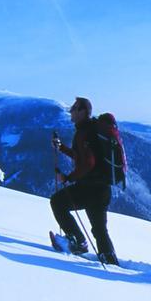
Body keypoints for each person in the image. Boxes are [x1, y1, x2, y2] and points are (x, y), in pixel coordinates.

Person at [50, 96, 119, 265]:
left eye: (74, 109)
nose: (71, 112)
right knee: (99, 230)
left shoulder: (84, 133)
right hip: (102, 189)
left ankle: (78, 242)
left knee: (57, 202)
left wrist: (68, 178)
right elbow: (82, 157)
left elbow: (88, 163)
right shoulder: (91, 131)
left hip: (89, 188)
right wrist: (62, 148)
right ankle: (110, 260)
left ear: (82, 111)